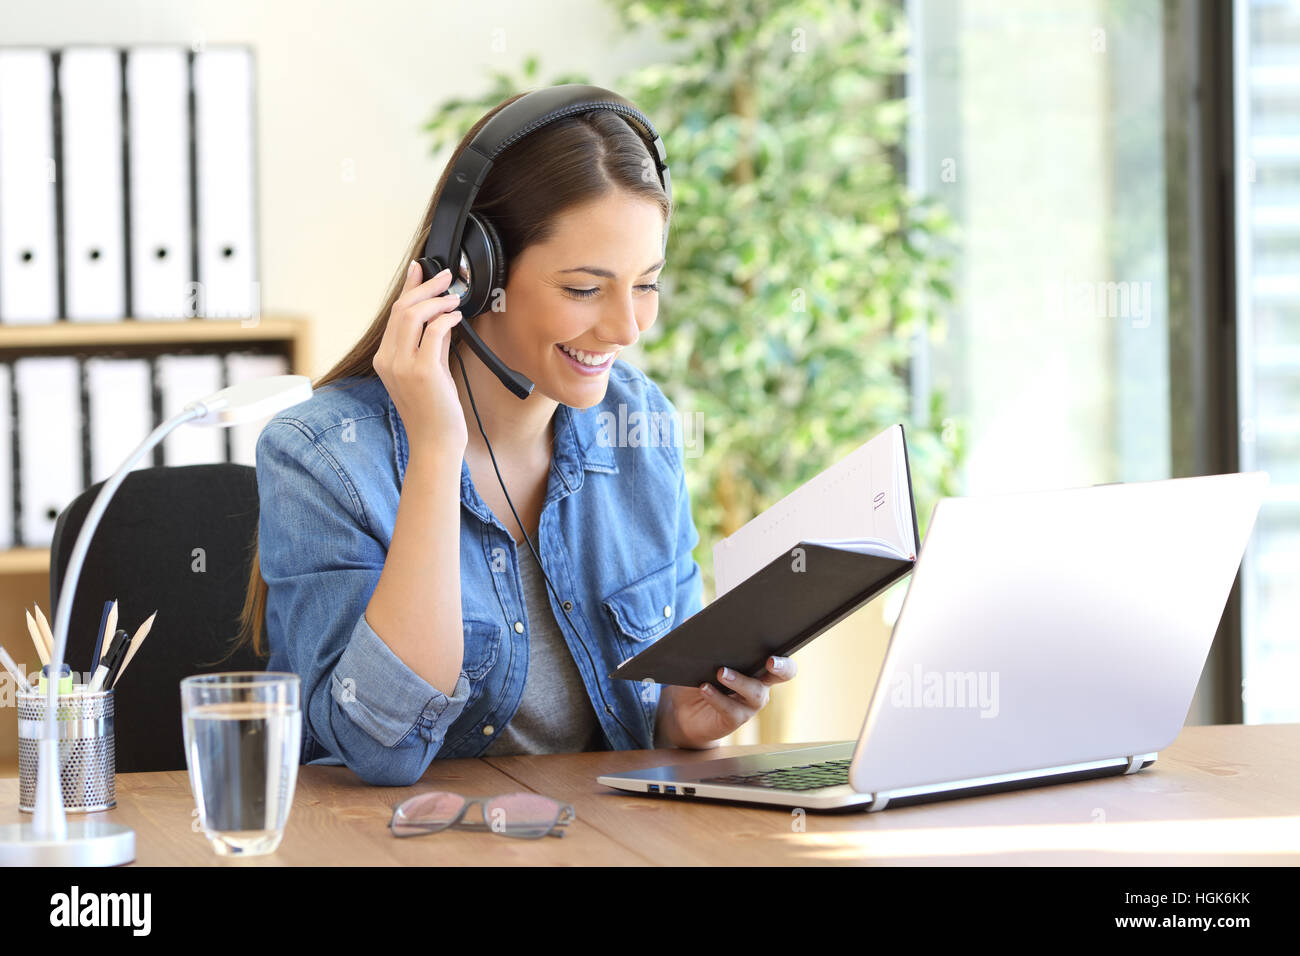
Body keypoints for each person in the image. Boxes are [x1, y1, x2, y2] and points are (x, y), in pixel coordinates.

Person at [236, 90, 797, 787]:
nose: (628, 328)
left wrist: (680, 720)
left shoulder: (638, 425)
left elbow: (647, 710)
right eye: (586, 290)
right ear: (474, 273)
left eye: (646, 284)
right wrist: (437, 451)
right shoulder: (321, 454)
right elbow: (380, 749)